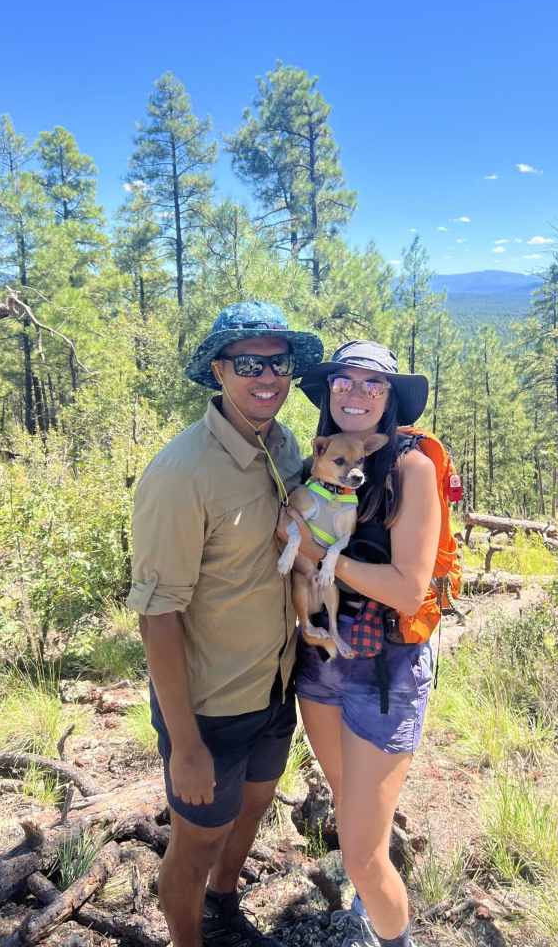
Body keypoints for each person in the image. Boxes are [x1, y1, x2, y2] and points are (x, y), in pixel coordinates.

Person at [126, 301, 323, 947]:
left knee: (256, 802)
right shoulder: (182, 474)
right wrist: (184, 746)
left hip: (272, 686)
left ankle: (223, 905)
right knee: (196, 838)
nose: (267, 377)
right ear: (218, 370)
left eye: (278, 362)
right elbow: (157, 617)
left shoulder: (283, 445)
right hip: (208, 707)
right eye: (248, 363)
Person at [279, 340, 441, 947]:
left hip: (385, 672)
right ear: (327, 393)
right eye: (343, 381)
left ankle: (394, 937)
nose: (356, 391)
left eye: (372, 383)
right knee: (350, 810)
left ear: (390, 398)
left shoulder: (411, 468)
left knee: (363, 849)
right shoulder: (316, 463)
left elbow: (406, 590)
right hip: (322, 657)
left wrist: (322, 557)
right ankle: (368, 910)